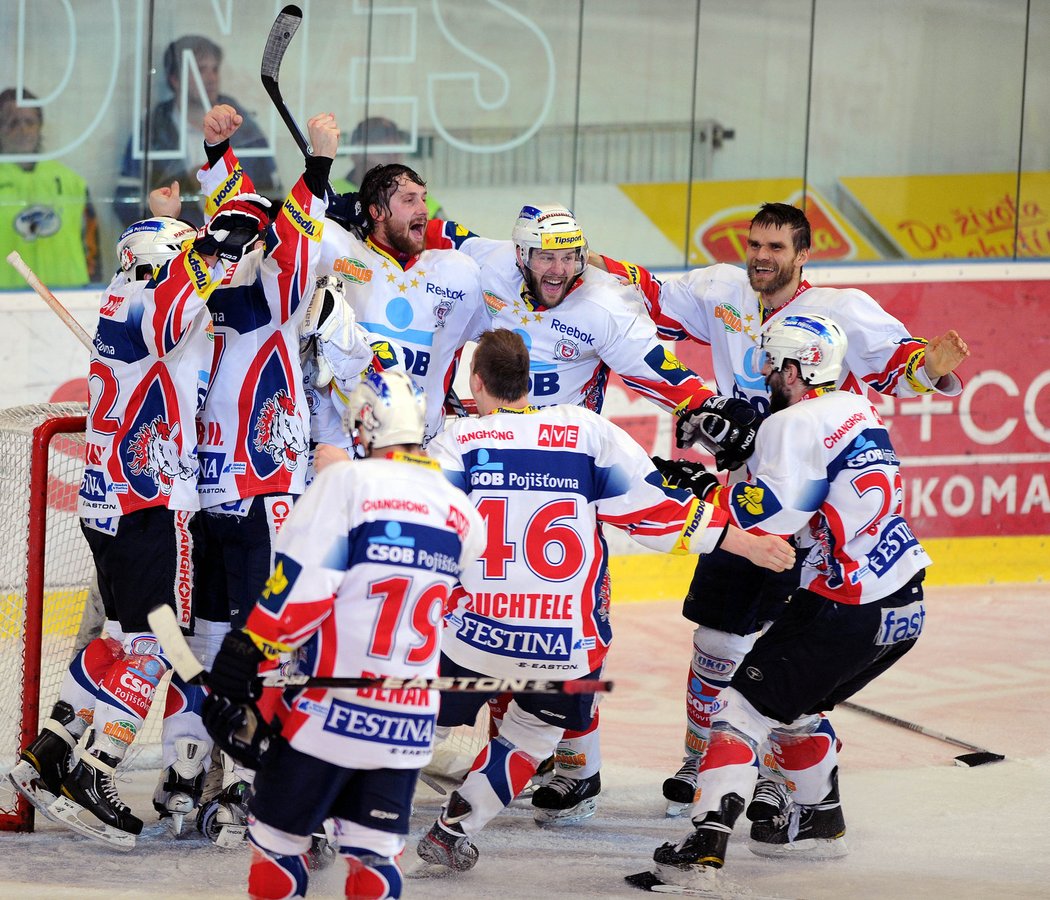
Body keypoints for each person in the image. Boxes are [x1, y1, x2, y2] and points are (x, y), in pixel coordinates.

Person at [586, 202, 969, 819]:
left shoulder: (842, 310)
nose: (762, 256)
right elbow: (648, 288)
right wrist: (577, 257)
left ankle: (770, 772)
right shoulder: (721, 289)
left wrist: (928, 367)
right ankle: (702, 752)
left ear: (803, 254)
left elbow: (900, 366)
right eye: (755, 243)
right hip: (746, 500)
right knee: (715, 638)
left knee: (787, 652)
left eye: (776, 247)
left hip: (809, 513)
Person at [425, 204, 760, 820]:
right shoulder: (490, 261)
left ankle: (578, 766)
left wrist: (710, 404)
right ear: (523, 255)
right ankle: (530, 749)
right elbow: (439, 228)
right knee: (496, 606)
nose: (559, 269)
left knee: (562, 613)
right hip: (489, 456)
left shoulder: (606, 306)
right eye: (547, 256)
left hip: (562, 470)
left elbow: (662, 371)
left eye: (569, 256)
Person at [414, 329, 795, 871]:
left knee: (404, 718)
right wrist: (747, 544)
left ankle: (327, 815)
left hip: (473, 634)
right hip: (564, 642)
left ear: (477, 383)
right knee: (533, 733)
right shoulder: (585, 431)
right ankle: (453, 830)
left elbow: (425, 532)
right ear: (530, 383)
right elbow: (657, 516)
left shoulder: (455, 442)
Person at [628, 314, 933, 892]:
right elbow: (814, 491)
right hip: (905, 603)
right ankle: (818, 820)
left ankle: (704, 846)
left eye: (773, 363)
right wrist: (740, 467)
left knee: (738, 709)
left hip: (847, 604)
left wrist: (699, 488)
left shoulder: (790, 424)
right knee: (795, 707)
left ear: (796, 368)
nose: (766, 372)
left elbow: (773, 518)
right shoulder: (857, 409)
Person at [3, 202, 250, 846]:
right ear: (167, 263)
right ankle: (94, 771)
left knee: (116, 635)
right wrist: (217, 244)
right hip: (151, 503)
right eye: (188, 257)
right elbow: (174, 313)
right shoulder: (155, 299)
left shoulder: (122, 291)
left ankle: (50, 753)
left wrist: (188, 232)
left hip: (105, 500)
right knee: (154, 647)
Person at [200, 369, 484, 900]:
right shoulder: (462, 510)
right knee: (374, 861)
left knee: (277, 849)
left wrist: (244, 656)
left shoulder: (347, 484)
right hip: (407, 721)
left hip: (329, 711)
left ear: (361, 426)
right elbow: (455, 597)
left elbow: (300, 594)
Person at [152, 103, 337, 844]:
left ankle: (185, 772)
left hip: (204, 493)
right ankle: (262, 783)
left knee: (205, 636)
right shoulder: (273, 289)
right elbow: (286, 233)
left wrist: (217, 151)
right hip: (258, 495)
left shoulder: (193, 288)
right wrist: (318, 166)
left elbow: (247, 218)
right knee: (262, 638)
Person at [317, 163, 491, 445]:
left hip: (421, 449)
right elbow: (279, 235)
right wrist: (317, 172)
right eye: (409, 200)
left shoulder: (458, 272)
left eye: (423, 198)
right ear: (376, 212)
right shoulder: (337, 250)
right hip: (344, 449)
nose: (423, 208)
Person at [115, 35, 281, 227]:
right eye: (200, 69)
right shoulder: (152, 129)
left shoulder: (242, 124)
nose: (211, 78)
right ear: (175, 79)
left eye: (214, 69)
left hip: (236, 251)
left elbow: (272, 195)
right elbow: (125, 202)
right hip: (178, 249)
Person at [0, 87, 99, 287]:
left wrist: (93, 296)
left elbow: (93, 254)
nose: (23, 130)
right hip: (6, 304)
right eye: (12, 123)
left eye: (29, 122)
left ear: (40, 126)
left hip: (68, 302)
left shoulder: (72, 183)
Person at [331, 116, 444, 219]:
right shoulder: (331, 194)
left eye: (396, 151)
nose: (393, 159)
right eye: (384, 151)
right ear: (356, 154)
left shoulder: (424, 203)